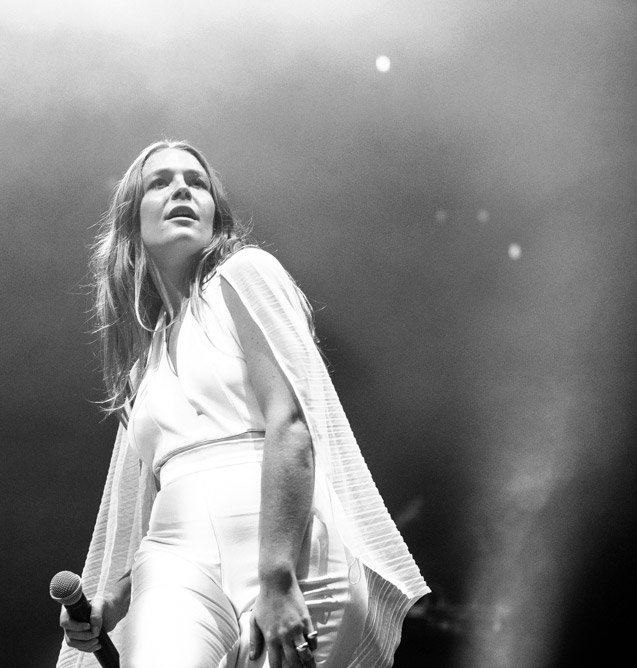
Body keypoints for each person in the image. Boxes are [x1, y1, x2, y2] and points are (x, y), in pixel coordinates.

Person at [57, 141, 428, 668]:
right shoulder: (146, 360)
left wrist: (277, 577)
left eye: (197, 181)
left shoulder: (244, 275)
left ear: (215, 213)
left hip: (279, 537)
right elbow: (154, 497)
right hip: (170, 557)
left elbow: (291, 422)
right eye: (160, 181)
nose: (182, 188)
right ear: (131, 220)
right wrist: (115, 597)